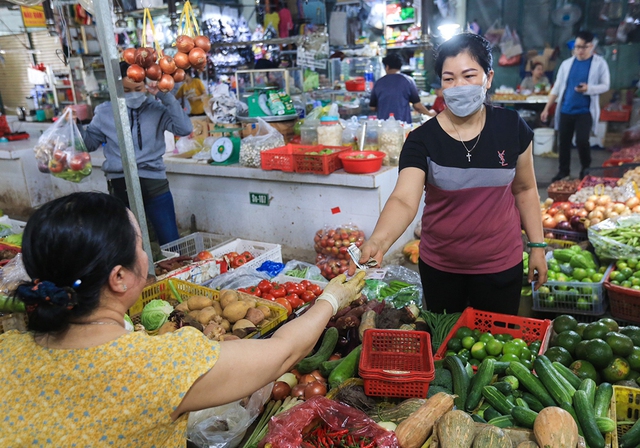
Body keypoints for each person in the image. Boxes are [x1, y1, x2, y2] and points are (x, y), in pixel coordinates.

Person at [0, 192, 366, 446]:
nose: (145, 254)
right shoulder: (157, 366)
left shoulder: (7, 350)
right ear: (120, 278)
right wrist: (332, 298)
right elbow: (283, 353)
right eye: (140, 245)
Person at [349, 33, 547, 315]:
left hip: (501, 264)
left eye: (469, 76)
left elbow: (525, 189)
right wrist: (379, 240)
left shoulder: (510, 126)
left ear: (488, 78)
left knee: (495, 345)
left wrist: (537, 246)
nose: (459, 86)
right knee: (445, 345)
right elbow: (404, 200)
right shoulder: (422, 139)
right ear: (440, 84)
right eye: (449, 79)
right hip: (441, 268)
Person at [78, 61, 192, 246]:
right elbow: (89, 144)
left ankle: (174, 271)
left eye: (137, 88)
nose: (132, 94)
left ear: (146, 85)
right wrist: (74, 128)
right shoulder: (105, 111)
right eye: (125, 90)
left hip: (154, 183)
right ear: (116, 89)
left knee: (170, 240)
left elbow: (184, 128)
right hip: (120, 184)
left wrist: (166, 97)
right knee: (127, 243)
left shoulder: (157, 109)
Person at [540, 30, 611, 181]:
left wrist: (589, 89)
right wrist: (547, 108)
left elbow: (605, 85)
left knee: (581, 140)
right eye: (576, 47)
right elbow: (557, 88)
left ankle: (586, 169)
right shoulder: (567, 64)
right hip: (566, 109)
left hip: (585, 111)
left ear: (591, 46)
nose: (578, 50)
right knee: (563, 142)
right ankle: (563, 171)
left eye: (582, 47)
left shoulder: (599, 64)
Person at [369, 53, 430, 123]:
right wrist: (430, 115)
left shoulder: (378, 83)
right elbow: (417, 106)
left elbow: (372, 107)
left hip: (383, 126)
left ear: (387, 67)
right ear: (400, 66)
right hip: (403, 126)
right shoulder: (408, 81)